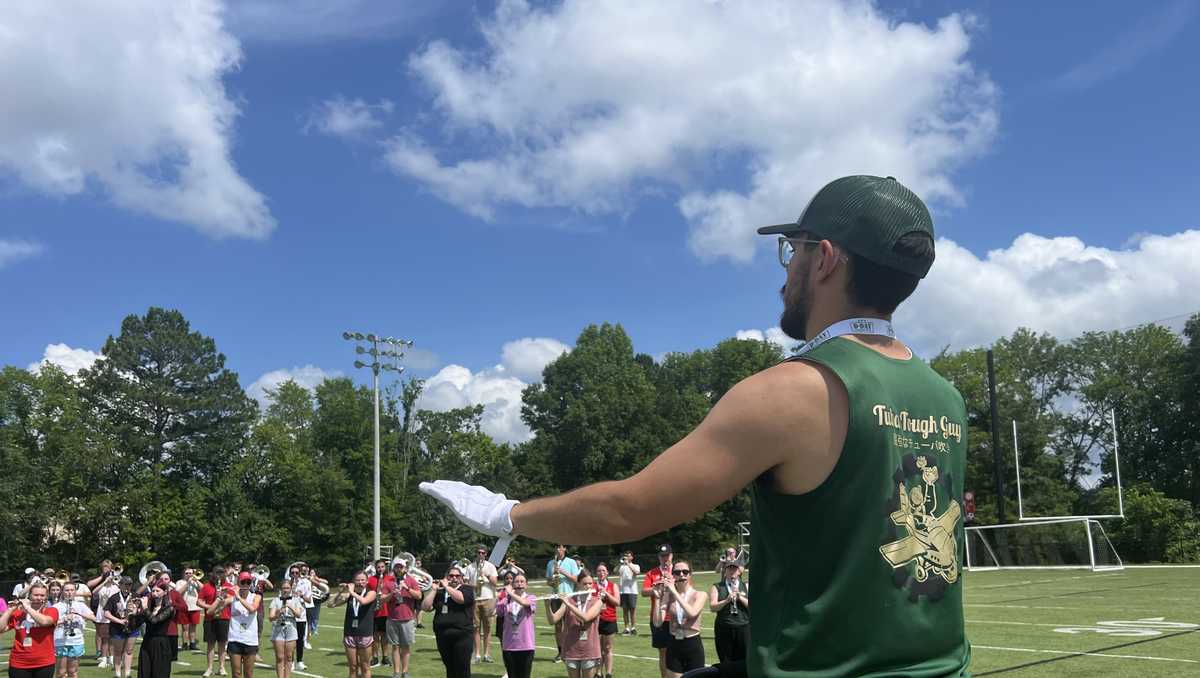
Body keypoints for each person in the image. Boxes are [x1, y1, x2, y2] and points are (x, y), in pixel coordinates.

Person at [421, 175, 971, 677]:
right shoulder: (945, 397)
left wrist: (507, 515)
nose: (787, 270)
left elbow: (631, 508)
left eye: (793, 251)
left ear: (824, 258)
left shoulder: (795, 388)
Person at [651, 562, 705, 678]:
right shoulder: (668, 596)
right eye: (677, 572)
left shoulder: (700, 594)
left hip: (693, 644)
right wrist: (657, 598)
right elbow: (657, 622)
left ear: (690, 574)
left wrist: (674, 592)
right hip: (674, 644)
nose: (681, 575)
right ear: (673, 575)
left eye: (685, 572)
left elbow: (692, 613)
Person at [420, 566, 474, 678]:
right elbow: (425, 607)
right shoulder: (440, 592)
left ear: (461, 578)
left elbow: (461, 599)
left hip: (462, 634)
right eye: (451, 575)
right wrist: (434, 590)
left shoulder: (467, 589)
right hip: (443, 634)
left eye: (457, 576)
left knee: (462, 667)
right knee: (450, 667)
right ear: (446, 577)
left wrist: (446, 586)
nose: (454, 578)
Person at [550, 571, 602, 678]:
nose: (588, 586)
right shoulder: (569, 600)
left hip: (589, 649)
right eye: (585, 584)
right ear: (578, 584)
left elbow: (586, 617)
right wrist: (547, 605)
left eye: (590, 584)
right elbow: (553, 620)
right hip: (571, 649)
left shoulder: (597, 601)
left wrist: (568, 603)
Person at [2, 582, 59, 678]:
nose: (39, 598)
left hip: (44, 663)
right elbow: (1, 628)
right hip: (19, 662)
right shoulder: (18, 613)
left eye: (42, 595)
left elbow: (45, 622)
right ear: (29, 596)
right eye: (36, 595)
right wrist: (9, 611)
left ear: (46, 597)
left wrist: (27, 607)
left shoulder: (51, 611)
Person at [329, 571, 378, 678]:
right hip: (350, 633)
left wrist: (351, 592)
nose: (360, 582)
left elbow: (364, 601)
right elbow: (330, 604)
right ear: (353, 581)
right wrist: (339, 592)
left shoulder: (371, 593)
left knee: (365, 666)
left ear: (366, 581)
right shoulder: (349, 595)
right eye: (357, 580)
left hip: (365, 634)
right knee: (352, 666)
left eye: (362, 580)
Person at [382, 560, 421, 678]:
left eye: (401, 567)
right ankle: (396, 672)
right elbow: (383, 599)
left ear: (405, 568)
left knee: (406, 647)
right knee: (395, 647)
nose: (399, 569)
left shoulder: (411, 580)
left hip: (408, 619)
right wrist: (392, 593)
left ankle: (405, 671)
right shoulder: (389, 582)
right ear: (394, 568)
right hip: (392, 619)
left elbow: (419, 596)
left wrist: (407, 588)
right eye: (397, 567)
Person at [640, 545, 674, 678]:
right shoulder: (652, 573)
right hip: (658, 617)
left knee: (677, 651)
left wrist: (672, 583)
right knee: (663, 652)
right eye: (662, 556)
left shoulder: (679, 571)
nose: (665, 559)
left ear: (671, 556)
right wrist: (657, 587)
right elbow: (643, 591)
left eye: (667, 556)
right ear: (658, 557)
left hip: (675, 617)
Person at [462, 546, 498, 665]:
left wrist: (486, 575)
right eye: (478, 552)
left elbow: (495, 583)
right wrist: (474, 585)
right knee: (475, 628)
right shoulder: (470, 567)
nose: (480, 554)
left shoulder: (490, 566)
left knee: (487, 628)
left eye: (483, 553)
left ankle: (487, 654)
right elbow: (465, 584)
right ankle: (477, 654)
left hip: (488, 598)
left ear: (486, 554)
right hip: (474, 599)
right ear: (476, 553)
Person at [494, 574, 535, 678]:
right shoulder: (506, 600)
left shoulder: (531, 597)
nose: (519, 584)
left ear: (526, 585)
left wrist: (510, 594)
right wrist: (497, 598)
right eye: (517, 581)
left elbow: (524, 603)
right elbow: (498, 613)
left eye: (522, 581)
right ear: (512, 585)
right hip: (509, 645)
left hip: (526, 645)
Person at [543, 545, 580, 663]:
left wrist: (563, 572)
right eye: (556, 547)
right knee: (557, 626)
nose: (557, 549)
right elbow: (548, 581)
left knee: (570, 625)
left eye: (560, 547)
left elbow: (576, 579)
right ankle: (560, 652)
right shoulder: (550, 563)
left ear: (564, 549)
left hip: (568, 596)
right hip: (555, 596)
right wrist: (552, 581)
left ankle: (570, 650)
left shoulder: (571, 562)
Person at [52, 583, 96, 678]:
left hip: (76, 641)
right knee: (61, 673)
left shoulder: (80, 605)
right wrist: (63, 619)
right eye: (67, 590)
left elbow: (93, 617)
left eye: (72, 590)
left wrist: (78, 614)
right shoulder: (56, 606)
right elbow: (51, 623)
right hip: (60, 641)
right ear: (62, 592)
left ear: (75, 592)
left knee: (73, 672)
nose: (69, 592)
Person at [133, 583, 177, 678]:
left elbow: (154, 621)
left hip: (161, 644)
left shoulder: (169, 608)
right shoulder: (149, 608)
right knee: (144, 673)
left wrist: (145, 608)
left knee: (159, 673)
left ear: (165, 592)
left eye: (157, 591)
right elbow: (134, 625)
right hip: (147, 642)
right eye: (153, 591)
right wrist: (135, 611)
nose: (154, 593)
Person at [709, 561, 749, 664]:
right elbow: (713, 607)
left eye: (734, 569)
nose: (732, 571)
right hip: (724, 629)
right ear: (725, 571)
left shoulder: (746, 585)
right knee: (726, 662)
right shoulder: (717, 586)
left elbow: (753, 607)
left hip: (743, 628)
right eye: (729, 569)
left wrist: (740, 597)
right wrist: (726, 601)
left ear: (739, 571)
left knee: (744, 661)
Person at [199, 568, 235, 678]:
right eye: (217, 573)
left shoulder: (228, 585)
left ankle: (221, 667)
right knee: (210, 644)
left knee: (222, 644)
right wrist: (211, 607)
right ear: (213, 574)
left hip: (224, 618)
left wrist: (223, 599)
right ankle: (209, 668)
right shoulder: (206, 586)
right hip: (210, 619)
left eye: (221, 573)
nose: (219, 576)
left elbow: (233, 598)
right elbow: (199, 601)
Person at [226, 573, 262, 678]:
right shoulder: (231, 599)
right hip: (234, 639)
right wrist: (221, 596)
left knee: (248, 674)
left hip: (250, 640)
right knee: (236, 674)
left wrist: (239, 598)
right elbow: (213, 610)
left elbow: (252, 609)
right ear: (238, 583)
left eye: (248, 582)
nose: (246, 584)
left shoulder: (256, 597)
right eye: (243, 582)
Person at [104, 577, 140, 678]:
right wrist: (119, 621)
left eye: (129, 585)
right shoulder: (114, 597)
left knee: (129, 651)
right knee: (118, 651)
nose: (127, 587)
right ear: (120, 585)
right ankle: (118, 673)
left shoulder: (135, 596)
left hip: (132, 627)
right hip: (117, 628)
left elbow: (140, 611)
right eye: (124, 584)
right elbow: (106, 613)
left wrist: (135, 611)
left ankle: (127, 673)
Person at [268, 580, 305, 678]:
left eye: (287, 588)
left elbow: (299, 615)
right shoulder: (276, 600)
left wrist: (291, 607)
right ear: (281, 589)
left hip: (291, 629)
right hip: (278, 629)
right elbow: (271, 618)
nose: (285, 590)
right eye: (284, 588)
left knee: (289, 657)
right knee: (280, 657)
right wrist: (278, 612)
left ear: (291, 589)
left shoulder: (295, 600)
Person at [592, 565, 619, 678]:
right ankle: (598, 673)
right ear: (596, 573)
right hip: (596, 620)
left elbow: (617, 602)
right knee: (597, 648)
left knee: (607, 648)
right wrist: (597, 597)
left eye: (603, 570)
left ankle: (608, 673)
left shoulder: (613, 585)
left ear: (607, 573)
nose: (601, 572)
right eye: (599, 570)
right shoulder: (592, 586)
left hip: (609, 619)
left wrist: (606, 593)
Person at [366, 560, 391, 669]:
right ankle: (375, 657)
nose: (381, 569)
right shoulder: (371, 580)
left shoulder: (390, 578)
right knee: (375, 636)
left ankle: (385, 657)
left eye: (382, 567)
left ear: (385, 567)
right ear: (375, 568)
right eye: (378, 567)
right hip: (374, 611)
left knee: (385, 636)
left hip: (387, 611)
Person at [94, 573, 121, 669]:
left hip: (112, 616)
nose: (110, 578)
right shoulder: (102, 587)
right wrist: (105, 581)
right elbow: (94, 591)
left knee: (113, 639)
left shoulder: (116, 587)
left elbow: (122, 589)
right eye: (108, 577)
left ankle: (111, 658)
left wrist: (115, 581)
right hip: (102, 616)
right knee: (104, 639)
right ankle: (104, 658)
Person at [286, 570, 311, 672]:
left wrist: (301, 595)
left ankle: (299, 661)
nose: (295, 575)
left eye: (297, 573)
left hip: (301, 615)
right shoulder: (286, 584)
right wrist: (290, 589)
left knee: (300, 640)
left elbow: (309, 600)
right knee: (290, 640)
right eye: (293, 573)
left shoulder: (305, 583)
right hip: (289, 615)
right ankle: (290, 662)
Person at [177, 569, 204, 652]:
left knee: (193, 626)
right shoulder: (180, 582)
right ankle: (185, 644)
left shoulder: (196, 581)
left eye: (191, 573)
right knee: (185, 627)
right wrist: (188, 583)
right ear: (183, 574)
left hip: (195, 606)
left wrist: (197, 580)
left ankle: (192, 643)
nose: (189, 574)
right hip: (184, 606)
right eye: (187, 573)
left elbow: (204, 589)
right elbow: (178, 592)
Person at [616, 552, 639, 636]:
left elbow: (637, 572)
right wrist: (620, 564)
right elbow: (615, 571)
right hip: (623, 591)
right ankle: (626, 628)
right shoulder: (621, 567)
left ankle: (633, 628)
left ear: (632, 557)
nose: (626, 557)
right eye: (625, 556)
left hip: (632, 591)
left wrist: (628, 564)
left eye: (628, 556)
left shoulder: (635, 565)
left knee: (632, 610)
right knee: (625, 610)